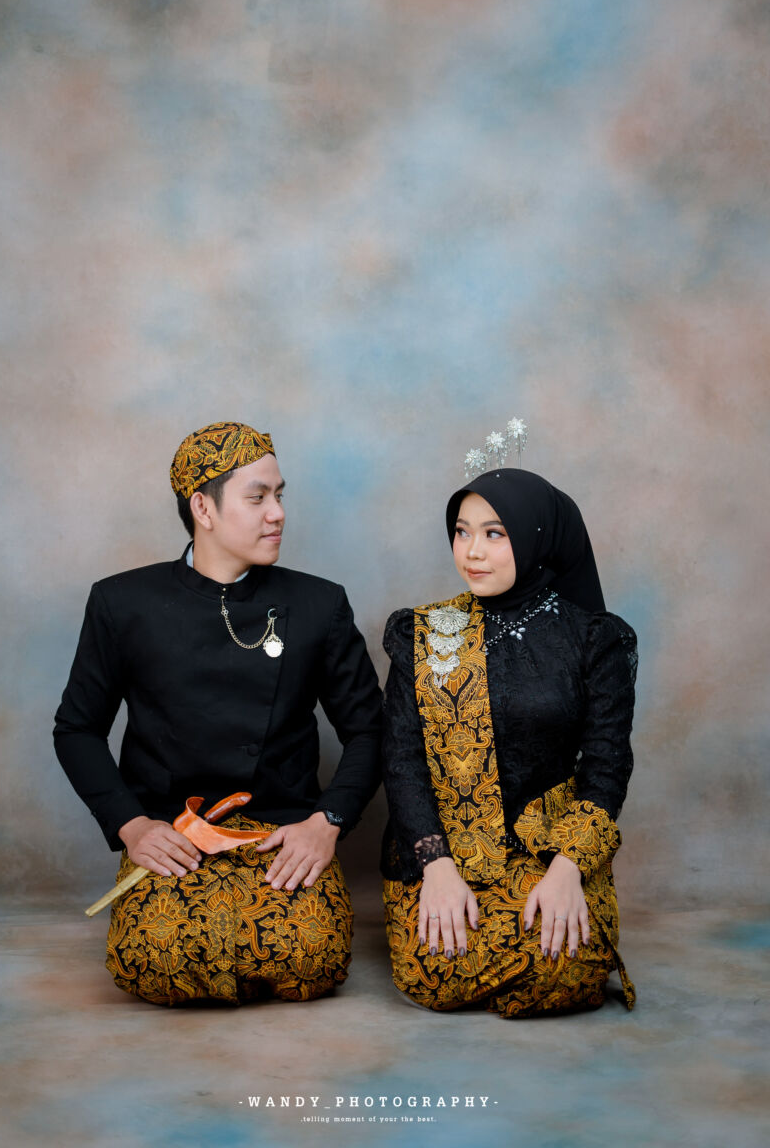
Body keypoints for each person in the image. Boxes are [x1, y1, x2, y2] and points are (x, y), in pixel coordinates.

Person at [55, 421, 382, 1006]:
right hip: (174, 833)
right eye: (257, 498)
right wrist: (133, 826)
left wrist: (326, 822)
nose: (278, 513)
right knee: (156, 960)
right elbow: (76, 729)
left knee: (312, 957)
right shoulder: (121, 602)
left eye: (279, 495)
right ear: (202, 508)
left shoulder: (319, 603)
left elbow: (370, 729)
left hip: (281, 833)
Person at [381, 467, 637, 1018]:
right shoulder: (425, 633)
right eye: (462, 531)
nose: (472, 551)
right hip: (447, 851)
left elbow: (607, 766)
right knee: (438, 971)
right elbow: (402, 760)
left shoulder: (592, 639)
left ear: (537, 537)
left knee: (567, 961)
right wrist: (436, 868)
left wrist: (568, 870)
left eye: (495, 533)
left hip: (550, 849)